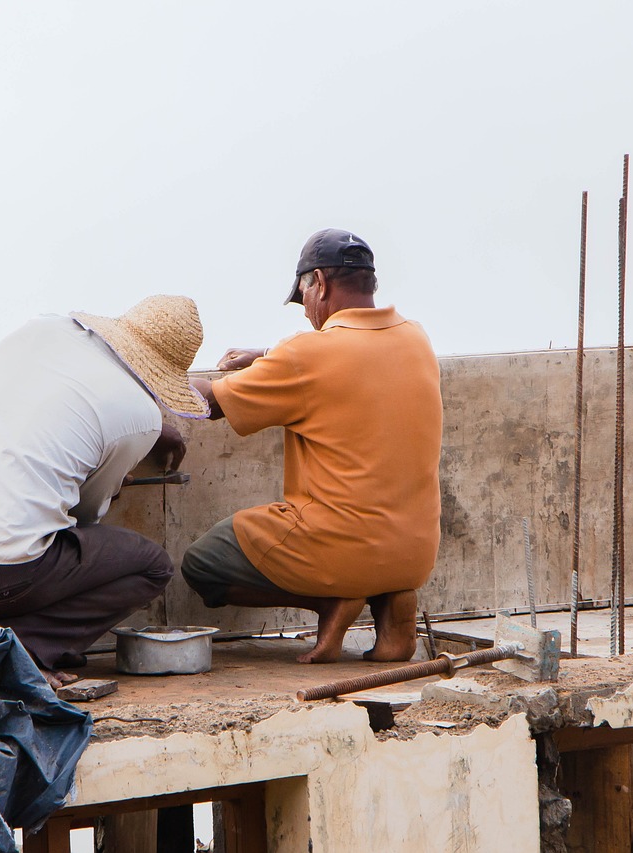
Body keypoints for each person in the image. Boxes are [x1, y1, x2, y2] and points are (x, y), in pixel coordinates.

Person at [0, 295, 209, 688]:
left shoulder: (41, 330)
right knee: (152, 566)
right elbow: (84, 516)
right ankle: (27, 651)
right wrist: (119, 469)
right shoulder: (140, 418)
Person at [184, 229, 442, 664]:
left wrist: (144, 375)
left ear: (319, 282)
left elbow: (209, 403)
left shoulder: (307, 356)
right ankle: (395, 609)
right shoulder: (416, 338)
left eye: (303, 295)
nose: (305, 311)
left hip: (341, 549)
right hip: (415, 552)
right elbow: (348, 358)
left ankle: (332, 602)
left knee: (201, 563)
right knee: (378, 531)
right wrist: (266, 355)